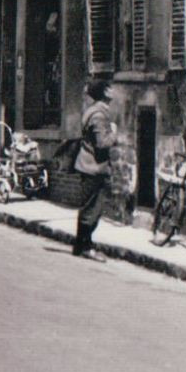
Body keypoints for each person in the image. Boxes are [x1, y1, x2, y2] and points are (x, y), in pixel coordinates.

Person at [72, 80, 118, 261]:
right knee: (92, 209)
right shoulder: (99, 115)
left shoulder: (95, 111)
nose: (113, 90)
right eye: (110, 88)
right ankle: (85, 246)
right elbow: (102, 143)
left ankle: (80, 245)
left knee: (89, 207)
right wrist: (114, 132)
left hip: (89, 166)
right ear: (105, 92)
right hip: (93, 167)